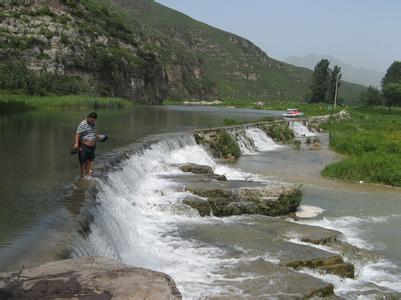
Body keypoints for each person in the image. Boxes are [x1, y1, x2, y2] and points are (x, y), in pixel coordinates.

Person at [73, 112, 106, 177]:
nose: (93, 121)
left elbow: (93, 132)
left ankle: (87, 175)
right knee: (83, 162)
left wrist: (99, 136)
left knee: (90, 161)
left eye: (94, 120)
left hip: (92, 146)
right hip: (84, 145)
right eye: (91, 120)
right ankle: (82, 176)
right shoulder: (82, 124)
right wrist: (76, 144)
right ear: (88, 117)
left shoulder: (94, 123)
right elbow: (77, 134)